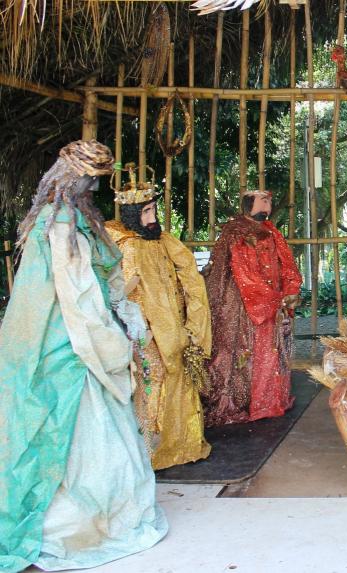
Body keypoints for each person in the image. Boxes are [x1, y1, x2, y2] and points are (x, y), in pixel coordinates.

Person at [0, 140, 167, 572]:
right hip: (66, 345)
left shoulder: (68, 218)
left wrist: (124, 313)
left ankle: (96, 519)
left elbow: (100, 280)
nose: (94, 189)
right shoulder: (62, 223)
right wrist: (116, 337)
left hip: (47, 339)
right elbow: (78, 296)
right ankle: (78, 526)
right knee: (77, 438)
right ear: (76, 178)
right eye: (92, 181)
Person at [105, 165, 213, 469]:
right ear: (132, 215)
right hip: (143, 332)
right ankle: (149, 451)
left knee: (181, 379)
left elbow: (191, 282)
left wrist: (194, 324)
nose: (153, 219)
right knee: (150, 383)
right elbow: (117, 293)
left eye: (154, 211)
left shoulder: (166, 241)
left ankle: (182, 443)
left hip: (176, 329)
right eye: (147, 212)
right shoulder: (122, 246)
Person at [203, 189, 302, 426]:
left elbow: (286, 262)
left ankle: (270, 400)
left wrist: (290, 289)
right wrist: (271, 298)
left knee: (271, 350)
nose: (267, 205)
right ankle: (247, 401)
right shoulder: (234, 232)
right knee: (245, 352)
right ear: (249, 204)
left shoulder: (271, 231)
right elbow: (242, 272)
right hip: (240, 305)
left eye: (269, 201)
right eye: (263, 201)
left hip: (270, 301)